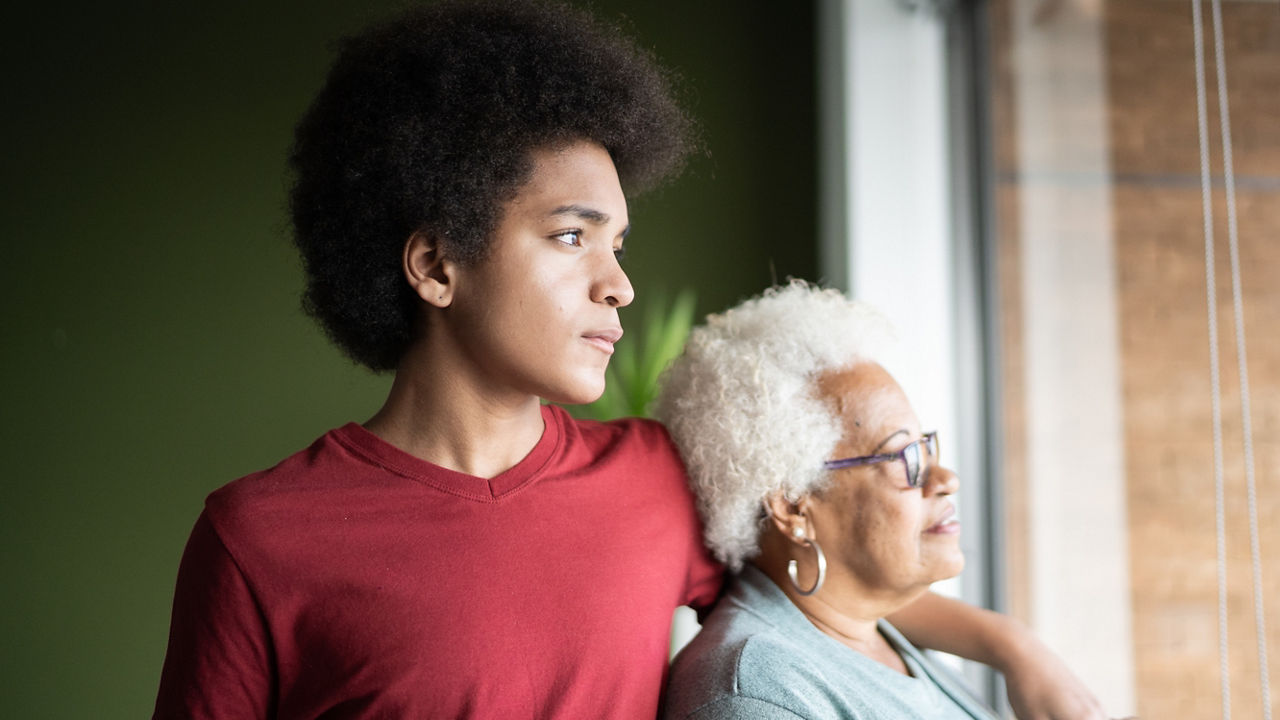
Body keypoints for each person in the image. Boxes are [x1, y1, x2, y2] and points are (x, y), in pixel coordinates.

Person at [153, 3, 1109, 718]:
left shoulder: (651, 481)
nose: (619, 286)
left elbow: (836, 577)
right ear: (436, 264)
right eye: (573, 237)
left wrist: (1016, 652)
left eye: (619, 245)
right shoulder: (260, 541)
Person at [657, 283, 1108, 720]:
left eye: (926, 446)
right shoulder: (760, 698)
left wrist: (1012, 643)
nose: (945, 479)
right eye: (904, 456)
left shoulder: (862, 628)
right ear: (793, 507)